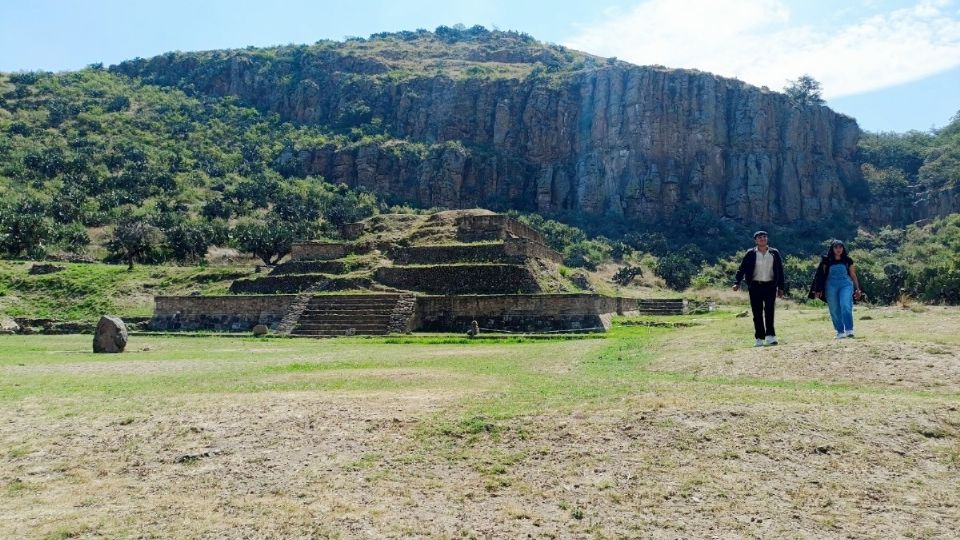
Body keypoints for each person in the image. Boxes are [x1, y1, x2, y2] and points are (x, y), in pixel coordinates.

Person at [732, 231, 786, 347]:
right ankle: (759, 338)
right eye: (760, 237)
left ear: (767, 239)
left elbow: (780, 271)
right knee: (757, 313)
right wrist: (737, 282)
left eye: (764, 237)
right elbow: (742, 268)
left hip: (770, 286)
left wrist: (781, 288)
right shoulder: (750, 253)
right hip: (755, 286)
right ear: (755, 240)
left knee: (769, 311)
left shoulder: (774, 253)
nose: (762, 239)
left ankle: (770, 337)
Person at [808, 240, 862, 339]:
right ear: (832, 249)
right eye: (836, 247)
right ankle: (840, 331)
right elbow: (821, 276)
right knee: (834, 308)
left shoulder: (847, 260)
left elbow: (853, 275)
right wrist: (818, 289)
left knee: (845, 304)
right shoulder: (826, 260)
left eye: (840, 247)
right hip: (830, 286)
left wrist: (858, 289)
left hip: (845, 284)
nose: (838, 249)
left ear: (843, 248)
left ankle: (849, 330)